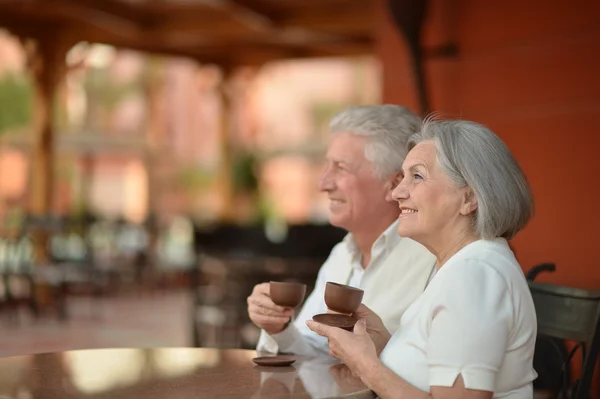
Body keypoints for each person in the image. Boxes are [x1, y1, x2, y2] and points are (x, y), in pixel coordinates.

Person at [307, 119, 537, 398]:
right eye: (402, 177)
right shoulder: (463, 267)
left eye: (417, 176)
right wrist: (383, 344)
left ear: (470, 198)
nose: (397, 193)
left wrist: (365, 365)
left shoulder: (472, 275)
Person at [247, 105, 437, 356]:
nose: (323, 183)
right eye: (327, 166)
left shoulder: (436, 257)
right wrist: (278, 327)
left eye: (341, 168)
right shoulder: (342, 254)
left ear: (394, 183)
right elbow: (315, 352)